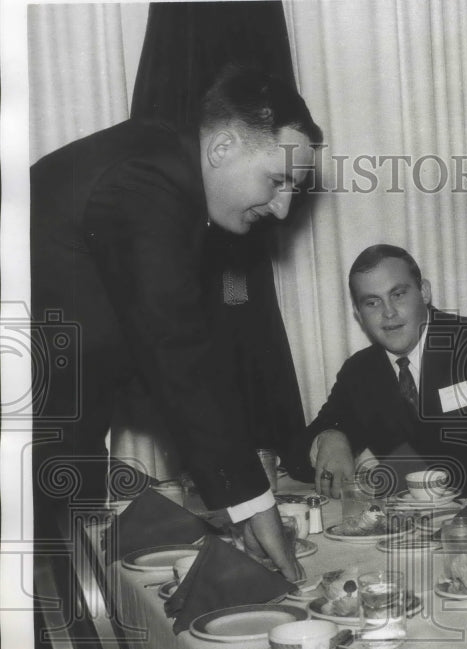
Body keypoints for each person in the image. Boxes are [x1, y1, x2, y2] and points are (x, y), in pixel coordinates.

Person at [31, 65, 322, 580]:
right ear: (223, 147)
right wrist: (252, 501)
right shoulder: (150, 178)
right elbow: (176, 348)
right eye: (277, 181)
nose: (282, 209)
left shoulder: (162, 168)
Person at [287, 244, 467, 497]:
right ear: (358, 314)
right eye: (372, 302)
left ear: (424, 292)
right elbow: (295, 458)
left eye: (398, 295)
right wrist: (330, 437)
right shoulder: (360, 372)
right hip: (409, 524)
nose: (388, 313)